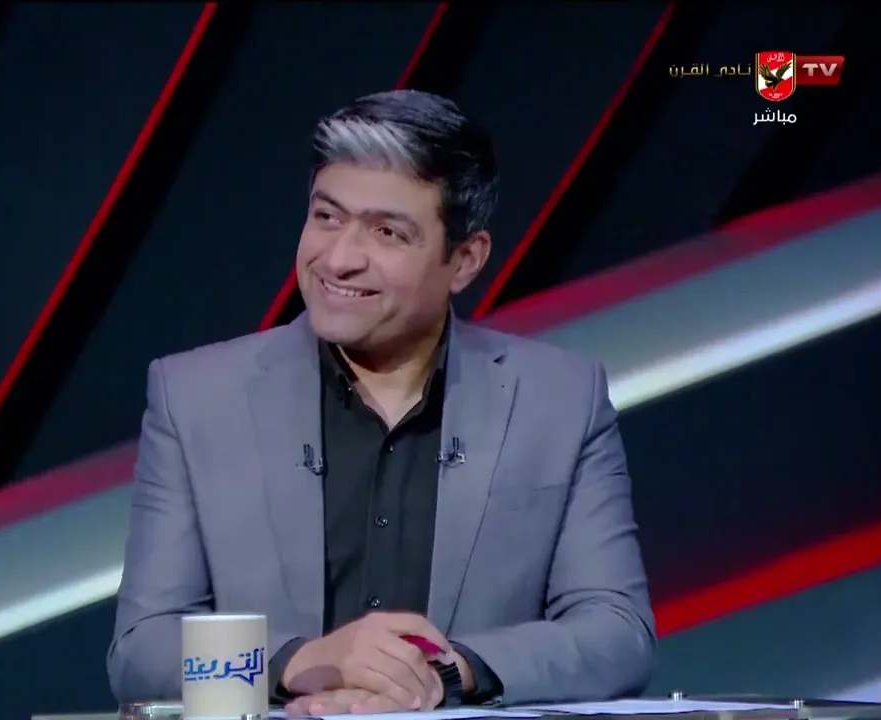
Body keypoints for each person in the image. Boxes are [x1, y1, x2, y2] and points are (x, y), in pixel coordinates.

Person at [107, 90, 656, 714]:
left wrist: (443, 673)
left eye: (388, 232)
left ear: (465, 260)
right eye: (327, 217)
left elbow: (618, 634)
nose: (339, 259)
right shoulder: (195, 398)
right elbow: (141, 651)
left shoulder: (559, 400)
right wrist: (301, 663)